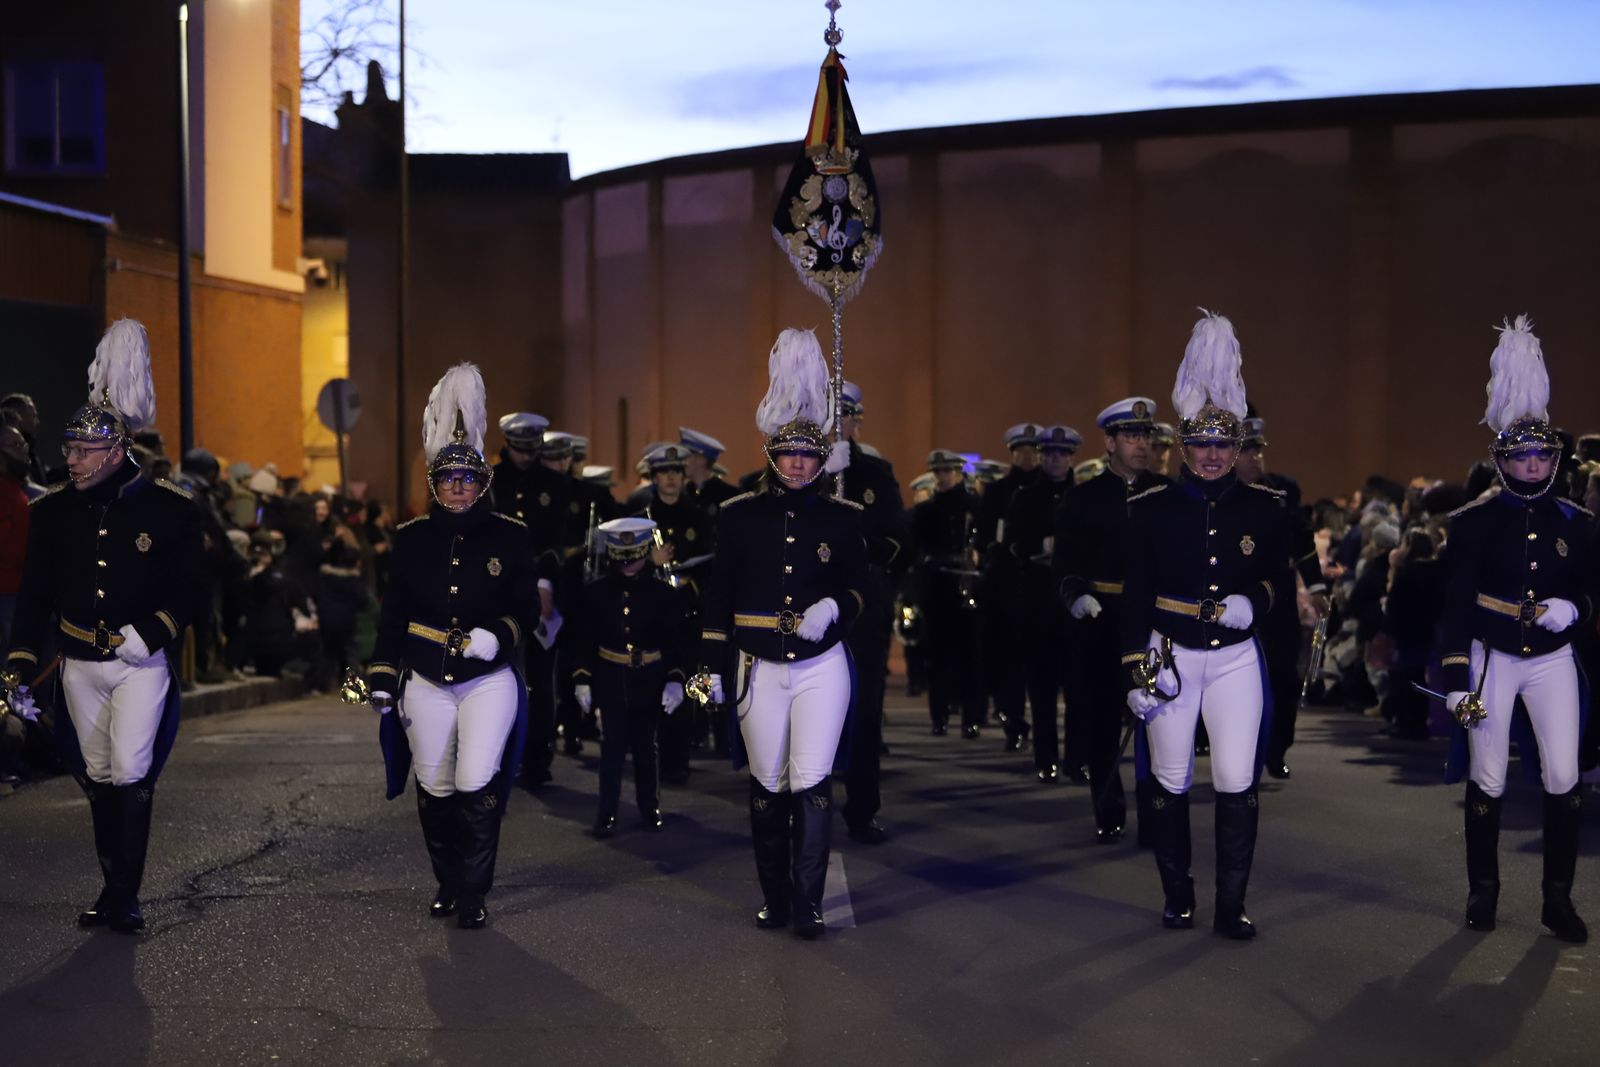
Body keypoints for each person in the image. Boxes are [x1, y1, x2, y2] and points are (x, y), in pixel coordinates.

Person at [4, 319, 201, 933]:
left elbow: (189, 590)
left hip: (140, 661)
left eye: (83, 451)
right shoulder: (52, 511)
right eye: (67, 449)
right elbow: (35, 593)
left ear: (116, 451)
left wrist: (154, 633)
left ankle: (124, 894)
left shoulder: (171, 508)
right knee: (96, 774)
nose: (70, 458)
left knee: (131, 767)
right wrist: (17, 659)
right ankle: (114, 881)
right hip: (77, 662)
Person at [1121, 311, 1289, 939]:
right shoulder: (1151, 506)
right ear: (1183, 449)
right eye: (1202, 446)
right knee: (1168, 779)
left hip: (1237, 657)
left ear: (1239, 449)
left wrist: (1259, 604)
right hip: (1171, 653)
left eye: (1225, 446)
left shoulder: (1267, 508)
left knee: (1236, 779)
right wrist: (1132, 667)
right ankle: (1178, 894)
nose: (1214, 456)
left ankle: (1231, 903)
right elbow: (1136, 592)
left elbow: (1278, 580)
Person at [698, 328, 867, 939]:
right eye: (789, 454)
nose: (798, 464)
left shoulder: (846, 518)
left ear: (824, 458)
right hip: (756, 663)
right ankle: (775, 895)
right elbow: (717, 598)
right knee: (767, 783)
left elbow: (860, 592)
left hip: (822, 665)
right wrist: (707, 669)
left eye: (809, 455)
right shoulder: (738, 515)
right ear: (772, 454)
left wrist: (835, 611)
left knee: (813, 781)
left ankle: (810, 901)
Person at [1436, 316, 1594, 944]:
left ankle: (1558, 899)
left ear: (1556, 459)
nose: (1533, 465)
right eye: (1522, 455)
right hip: (1490, 655)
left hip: (1552, 657)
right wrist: (1454, 676)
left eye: (1543, 455)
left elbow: (1594, 584)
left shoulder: (1578, 521)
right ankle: (1484, 891)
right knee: (1490, 773)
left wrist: (1575, 608)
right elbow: (1454, 602)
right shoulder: (1472, 520)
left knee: (1562, 774)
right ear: (1502, 458)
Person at [366, 364, 536, 929]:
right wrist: (383, 676)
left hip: (488, 677)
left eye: (467, 480)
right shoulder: (410, 539)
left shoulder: (511, 535)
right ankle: (447, 881)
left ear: (483, 483)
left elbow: (528, 609)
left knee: (476, 779)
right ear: (434, 485)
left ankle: (473, 892)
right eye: (447, 480)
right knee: (435, 783)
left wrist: (500, 634)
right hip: (425, 675)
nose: (457, 488)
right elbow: (393, 615)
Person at [1055, 397, 1168, 840]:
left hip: (1155, 621)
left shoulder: (1166, 495)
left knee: (1156, 720)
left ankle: (1155, 810)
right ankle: (1108, 808)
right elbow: (1065, 561)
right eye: (1131, 436)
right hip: (1103, 620)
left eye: (1146, 436)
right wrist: (1076, 594)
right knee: (1102, 720)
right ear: (1110, 442)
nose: (1141, 445)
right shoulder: (1083, 498)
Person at [572, 517, 686, 837]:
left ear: (645, 552)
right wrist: (582, 678)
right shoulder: (596, 593)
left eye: (634, 557)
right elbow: (584, 640)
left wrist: (675, 679)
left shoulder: (664, 594)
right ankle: (606, 812)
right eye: (622, 559)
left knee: (646, 749)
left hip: (649, 677)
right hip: (611, 676)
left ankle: (650, 807)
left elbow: (674, 642)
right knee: (612, 750)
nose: (628, 565)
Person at [833, 382, 909, 844]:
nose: (837, 424)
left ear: (856, 421)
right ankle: (804, 800)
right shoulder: (797, 467)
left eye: (845, 416)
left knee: (863, 710)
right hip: (806, 609)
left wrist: (859, 544)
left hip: (862, 609)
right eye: (828, 414)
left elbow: (899, 542)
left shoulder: (876, 473)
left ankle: (862, 809)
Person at [1235, 417, 1330, 779]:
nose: (1255, 458)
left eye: (1258, 450)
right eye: (1246, 450)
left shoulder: (1282, 491)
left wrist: (1317, 586)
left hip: (1279, 599)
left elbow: (1303, 542)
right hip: (1238, 597)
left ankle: (1277, 749)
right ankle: (1243, 751)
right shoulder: (1223, 493)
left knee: (1284, 678)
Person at [490, 413, 562, 789]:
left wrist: (546, 584)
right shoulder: (490, 480)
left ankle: (538, 756)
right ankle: (502, 754)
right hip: (498, 590)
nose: (524, 454)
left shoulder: (553, 485)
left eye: (531, 446)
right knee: (498, 678)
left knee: (540, 679)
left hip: (539, 591)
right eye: (519, 446)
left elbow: (556, 540)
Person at [1007, 425, 1083, 780]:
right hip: (1038, 601)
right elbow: (1013, 545)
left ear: (1071, 457)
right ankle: (1047, 758)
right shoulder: (1025, 497)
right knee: (1041, 689)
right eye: (1049, 453)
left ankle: (1077, 758)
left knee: (1078, 687)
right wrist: (1042, 546)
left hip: (1075, 605)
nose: (1055, 459)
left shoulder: (1083, 496)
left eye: (1062, 454)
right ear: (1040, 456)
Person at [634, 443, 713, 782]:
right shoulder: (641, 519)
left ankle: (679, 758)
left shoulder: (698, 516)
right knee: (650, 687)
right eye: (663, 473)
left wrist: (689, 584)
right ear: (653, 478)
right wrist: (650, 563)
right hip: (651, 615)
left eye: (676, 472)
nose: (670, 479)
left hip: (687, 612)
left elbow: (712, 564)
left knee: (687, 684)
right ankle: (649, 757)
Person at [976, 424, 1042, 751]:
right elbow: (983, 534)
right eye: (1021, 450)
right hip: (1004, 586)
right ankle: (1013, 719)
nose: (1028, 456)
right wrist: (995, 548)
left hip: (1042, 587)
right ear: (1012, 453)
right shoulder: (998, 492)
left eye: (1033, 450)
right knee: (1009, 659)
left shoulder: (1050, 489)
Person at [910, 450, 984, 738]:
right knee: (938, 658)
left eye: (947, 471)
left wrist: (980, 556)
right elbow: (916, 549)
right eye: (938, 472)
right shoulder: (926, 510)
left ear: (957, 472)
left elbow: (987, 540)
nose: (942, 476)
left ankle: (971, 718)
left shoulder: (974, 505)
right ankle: (938, 716)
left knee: (971, 656)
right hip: (937, 585)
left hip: (967, 581)